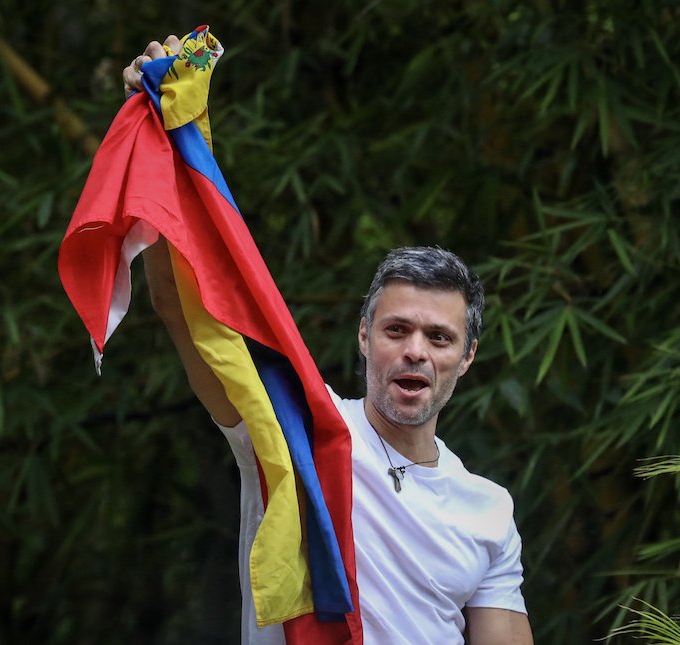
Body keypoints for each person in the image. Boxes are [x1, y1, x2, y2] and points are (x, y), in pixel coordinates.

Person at [125, 37, 533, 645]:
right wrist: (162, 143)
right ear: (364, 336)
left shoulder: (489, 510)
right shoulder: (294, 432)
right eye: (397, 329)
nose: (416, 350)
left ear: (467, 356)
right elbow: (187, 314)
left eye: (439, 336)